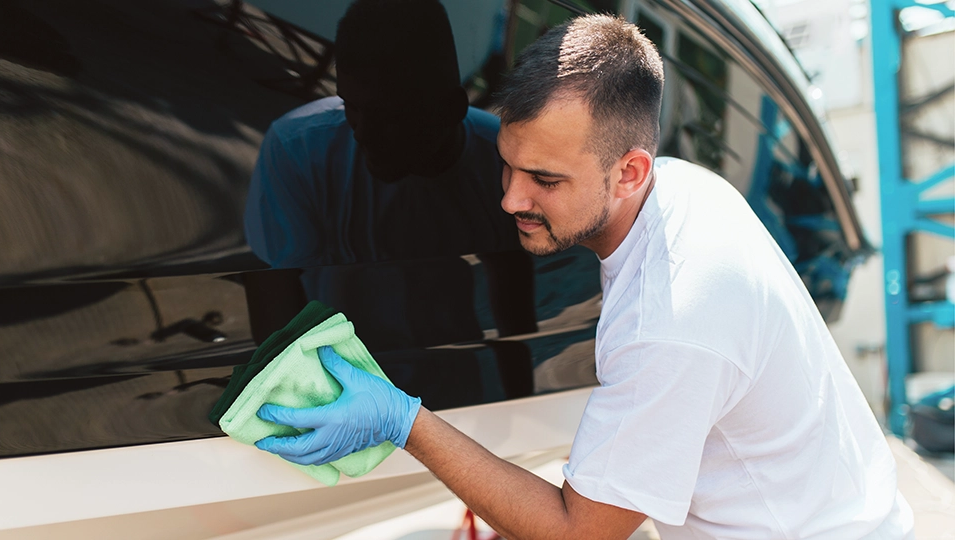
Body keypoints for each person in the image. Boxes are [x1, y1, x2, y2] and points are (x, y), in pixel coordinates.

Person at [253, 14, 914, 539]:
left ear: (629, 171)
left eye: (545, 180)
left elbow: (578, 534)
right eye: (507, 166)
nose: (510, 200)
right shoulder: (684, 189)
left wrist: (404, 422)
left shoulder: (672, 320)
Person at [242, 0, 537, 405]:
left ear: (450, 109)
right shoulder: (298, 150)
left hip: (451, 398)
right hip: (337, 396)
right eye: (351, 106)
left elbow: (514, 312)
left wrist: (520, 406)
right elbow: (275, 307)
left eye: (388, 114)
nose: (363, 132)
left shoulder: (503, 167)